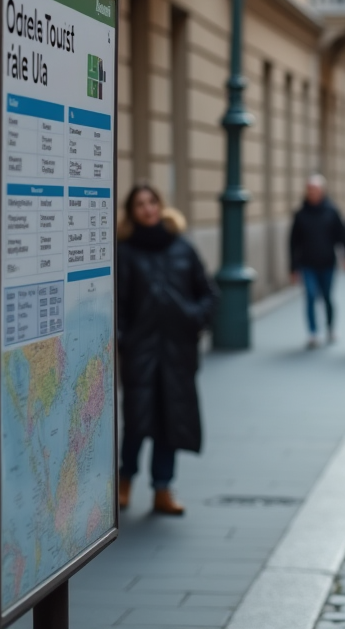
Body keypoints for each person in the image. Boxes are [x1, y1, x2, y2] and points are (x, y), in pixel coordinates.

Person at [116, 183, 218, 516]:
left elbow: (207, 292)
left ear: (161, 206)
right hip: (141, 351)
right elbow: (116, 303)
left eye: (152, 202)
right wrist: (124, 340)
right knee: (136, 420)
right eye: (140, 204)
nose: (147, 209)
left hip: (178, 351)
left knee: (170, 421)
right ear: (131, 212)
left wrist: (195, 317)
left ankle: (163, 489)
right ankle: (125, 480)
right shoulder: (125, 251)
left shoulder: (182, 248)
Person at [289, 174, 345, 349]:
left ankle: (330, 327)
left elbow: (341, 235)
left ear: (322, 191)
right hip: (307, 263)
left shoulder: (331, 211)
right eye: (309, 190)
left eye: (315, 190)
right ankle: (313, 332)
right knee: (310, 297)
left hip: (327, 262)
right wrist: (293, 267)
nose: (312, 193)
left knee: (328, 297)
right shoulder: (300, 214)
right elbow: (293, 242)